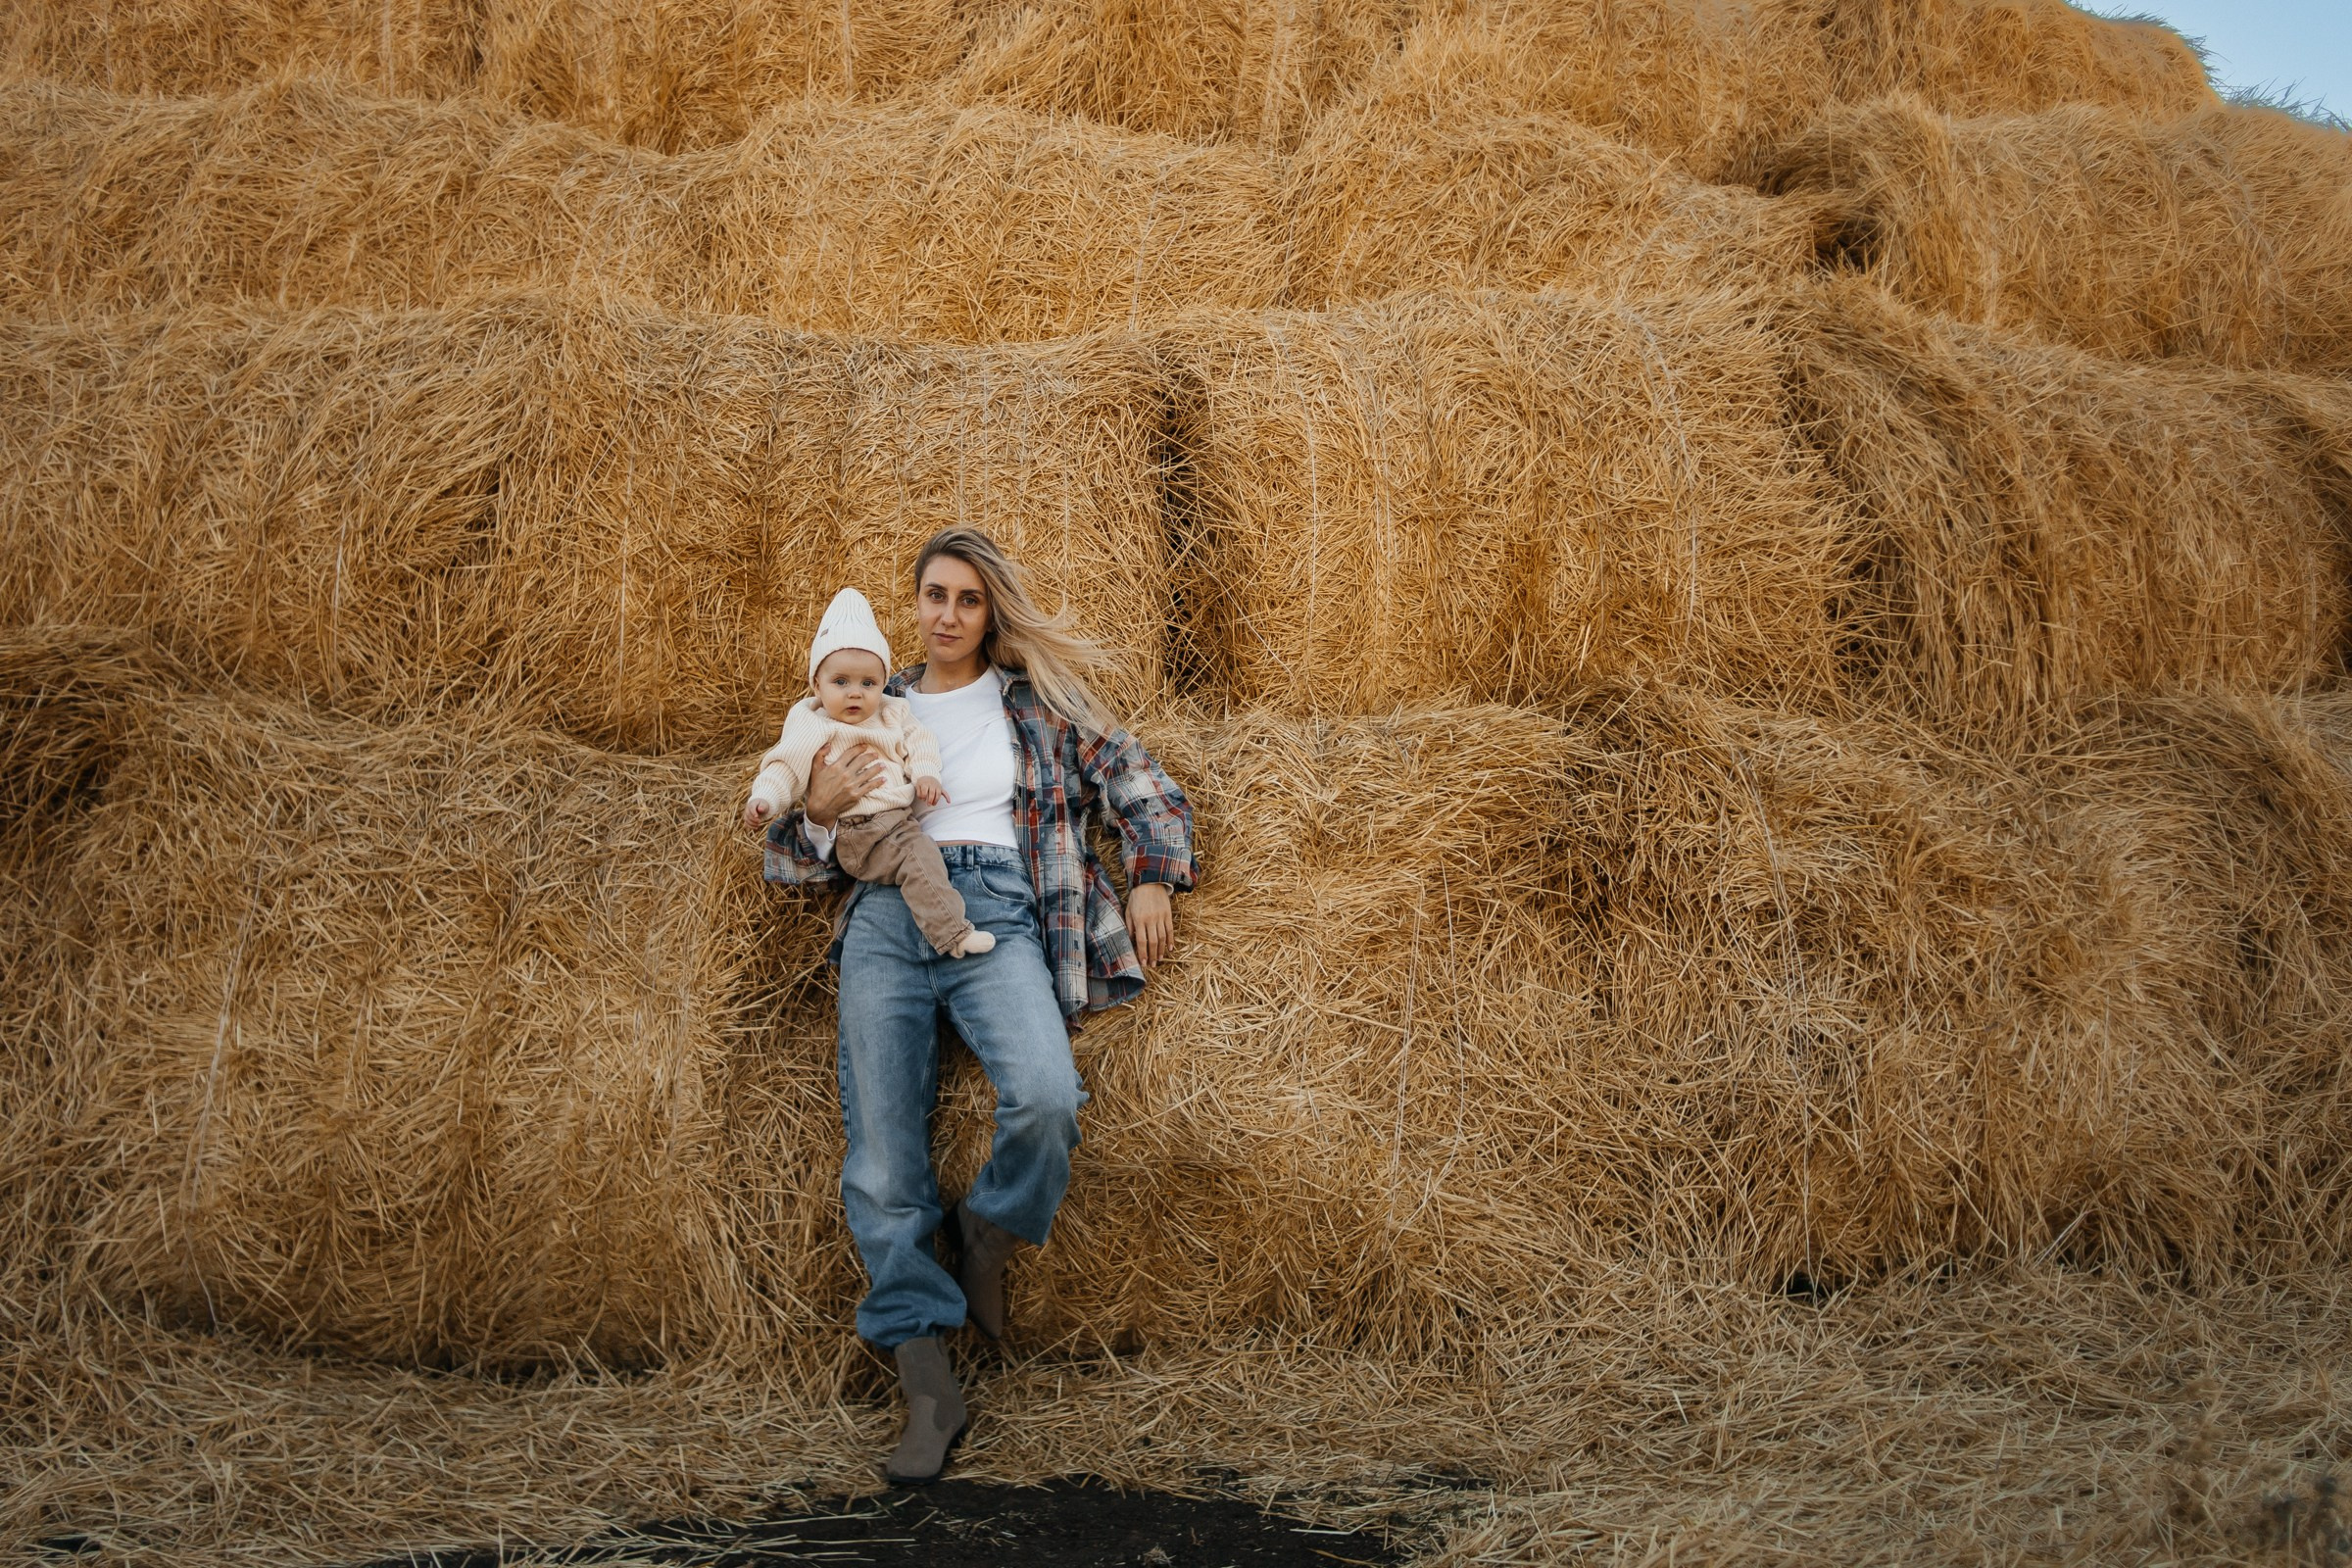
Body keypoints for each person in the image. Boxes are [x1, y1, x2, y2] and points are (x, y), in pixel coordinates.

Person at [760, 527, 1198, 1485]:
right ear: (913, 603)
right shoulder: (861, 700)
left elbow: (1138, 777)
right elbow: (783, 856)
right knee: (883, 1161)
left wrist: (1153, 874)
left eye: (967, 598)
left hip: (997, 908)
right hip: (885, 917)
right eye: (935, 596)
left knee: (1046, 1095)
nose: (949, 615)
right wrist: (819, 810)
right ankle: (927, 1385)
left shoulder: (1033, 704)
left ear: (989, 610)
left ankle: (987, 1234)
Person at [742, 587, 994, 959]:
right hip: (858, 830)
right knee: (918, 856)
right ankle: (953, 935)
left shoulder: (893, 712)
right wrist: (764, 798)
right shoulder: (813, 722)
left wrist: (926, 774)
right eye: (840, 682)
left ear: (883, 683)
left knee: (918, 855)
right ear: (816, 684)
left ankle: (921, 931)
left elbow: (920, 741)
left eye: (868, 683)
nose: (855, 694)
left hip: (896, 821)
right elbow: (785, 766)